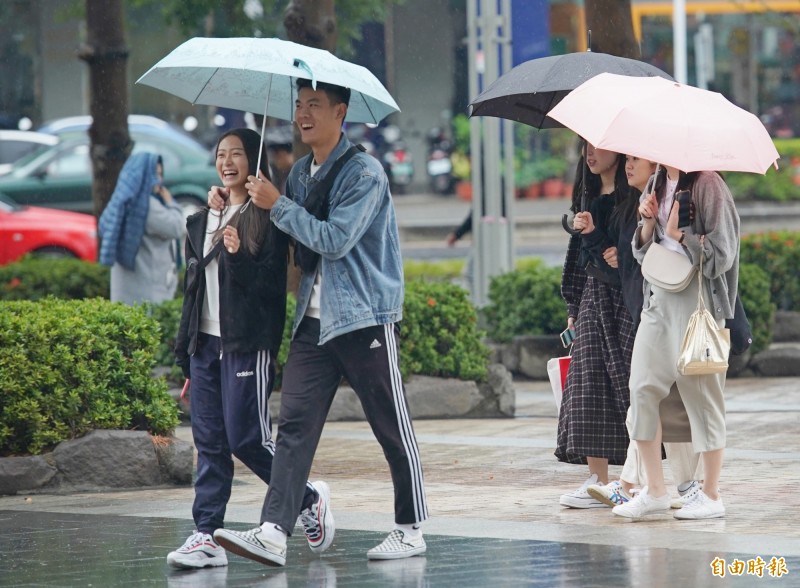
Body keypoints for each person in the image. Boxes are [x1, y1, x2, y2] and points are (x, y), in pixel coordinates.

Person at [211, 79, 428, 567]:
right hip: (313, 321)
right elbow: (295, 249)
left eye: (314, 106)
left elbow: (335, 240)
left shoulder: (365, 173)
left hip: (363, 317)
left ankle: (411, 527)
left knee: (391, 425)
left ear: (340, 113)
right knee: (293, 428)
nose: (303, 114)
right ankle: (272, 530)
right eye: (299, 106)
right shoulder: (301, 175)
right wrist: (235, 207)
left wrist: (279, 205)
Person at [168, 128, 331, 569]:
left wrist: (238, 255)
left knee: (247, 438)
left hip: (247, 342)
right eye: (221, 154)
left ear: (252, 161)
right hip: (206, 346)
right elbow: (193, 289)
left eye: (237, 153)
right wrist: (186, 354)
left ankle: (309, 499)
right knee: (211, 442)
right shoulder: (201, 219)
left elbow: (268, 290)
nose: (227, 161)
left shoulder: (267, 217)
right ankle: (206, 534)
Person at [612, 165, 739, 520]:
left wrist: (681, 234)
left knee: (702, 396)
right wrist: (649, 223)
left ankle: (711, 494)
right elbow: (644, 254)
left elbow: (723, 254)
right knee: (641, 389)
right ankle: (654, 491)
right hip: (659, 299)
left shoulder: (707, 183)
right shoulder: (656, 182)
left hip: (697, 302)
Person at [585, 156, 703, 509]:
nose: (628, 165)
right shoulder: (646, 199)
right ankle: (657, 486)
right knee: (646, 397)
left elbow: (715, 253)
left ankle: (685, 486)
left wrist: (676, 235)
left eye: (637, 159)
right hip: (651, 310)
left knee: (675, 401)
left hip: (683, 307)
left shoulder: (696, 190)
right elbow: (636, 256)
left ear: (656, 164)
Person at [556, 142, 636, 508]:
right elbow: (576, 258)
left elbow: (634, 251)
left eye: (599, 147)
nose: (591, 154)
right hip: (592, 297)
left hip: (625, 302)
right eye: (586, 146)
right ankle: (597, 478)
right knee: (586, 384)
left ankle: (636, 480)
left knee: (631, 388)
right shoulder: (586, 194)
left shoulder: (633, 196)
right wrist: (573, 305)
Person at [98, 152, 185, 304]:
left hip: (128, 289)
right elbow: (177, 227)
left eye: (160, 174)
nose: (159, 180)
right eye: (155, 174)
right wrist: (171, 203)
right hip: (149, 290)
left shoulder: (122, 201)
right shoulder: (147, 206)